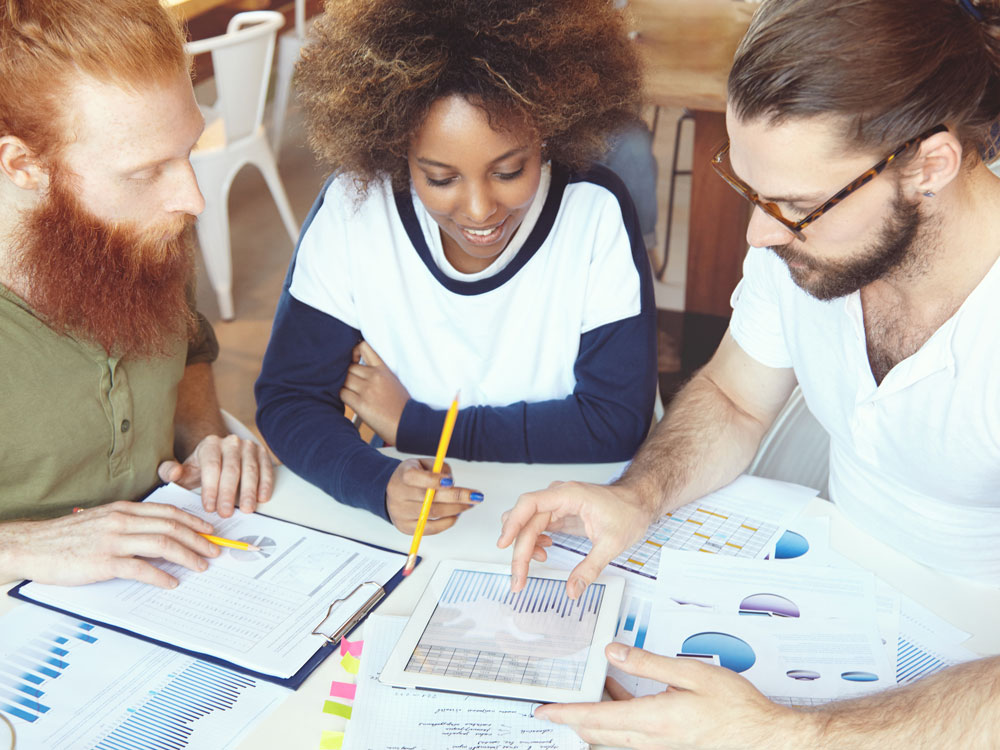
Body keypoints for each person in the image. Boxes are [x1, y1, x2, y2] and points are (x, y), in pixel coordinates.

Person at [497, 0, 1000, 746]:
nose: (760, 234)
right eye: (752, 190)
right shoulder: (807, 246)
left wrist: (780, 734)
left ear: (930, 165)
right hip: (838, 600)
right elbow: (735, 396)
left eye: (795, 206)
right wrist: (641, 494)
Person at [255, 0, 657, 534]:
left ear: (549, 132)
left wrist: (413, 424)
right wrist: (375, 482)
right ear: (398, 150)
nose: (479, 210)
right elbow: (289, 399)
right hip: (433, 523)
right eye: (441, 179)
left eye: (510, 170)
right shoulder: (355, 209)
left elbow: (614, 423)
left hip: (570, 513)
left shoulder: (595, 210)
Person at [0, 0, 273, 590]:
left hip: (167, 585)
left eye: (188, 151)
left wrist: (203, 437)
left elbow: (188, 345)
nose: (192, 198)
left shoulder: (149, 228)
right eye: (144, 172)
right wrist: (17, 546)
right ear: (23, 164)